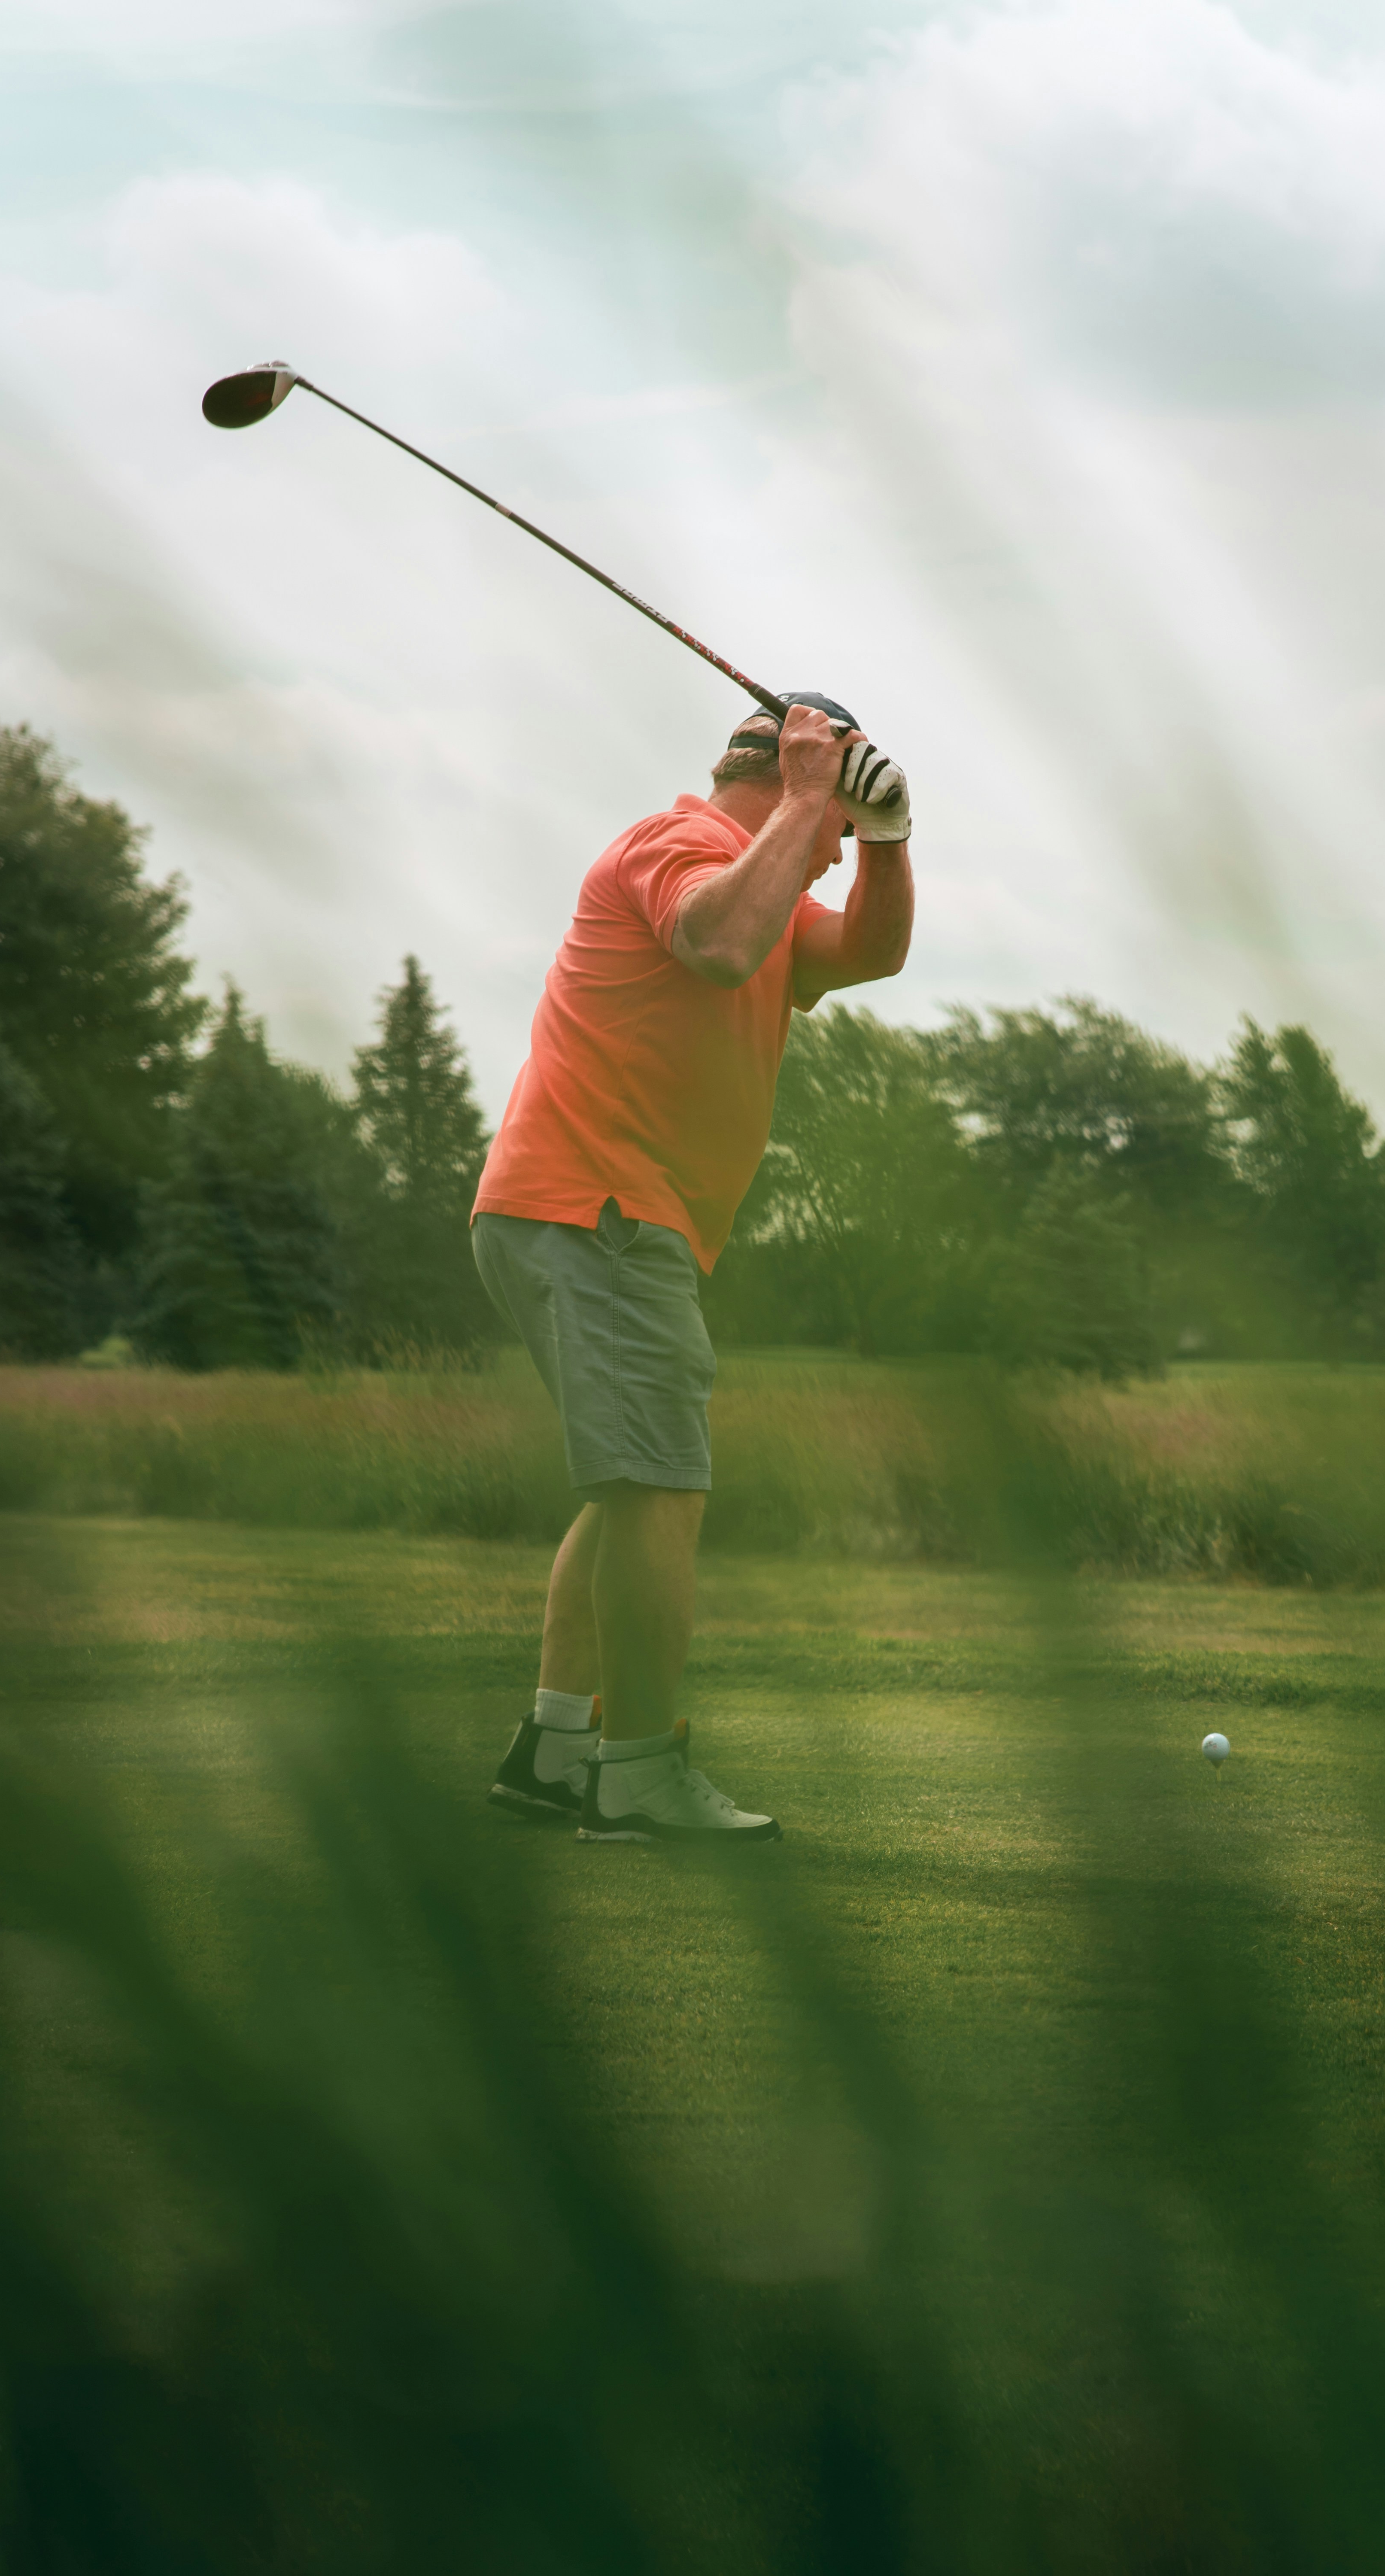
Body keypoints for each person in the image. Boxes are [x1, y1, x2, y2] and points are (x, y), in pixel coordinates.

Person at [470, 694, 914, 1844]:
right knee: (663, 1487)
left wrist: (890, 841)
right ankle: (639, 1773)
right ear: (785, 776)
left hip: (589, 1211)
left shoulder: (766, 882)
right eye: (829, 829)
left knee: (630, 1491)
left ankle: (559, 1747)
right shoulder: (681, 847)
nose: (830, 853)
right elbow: (717, 944)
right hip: (598, 1206)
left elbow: (870, 951)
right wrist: (819, 798)